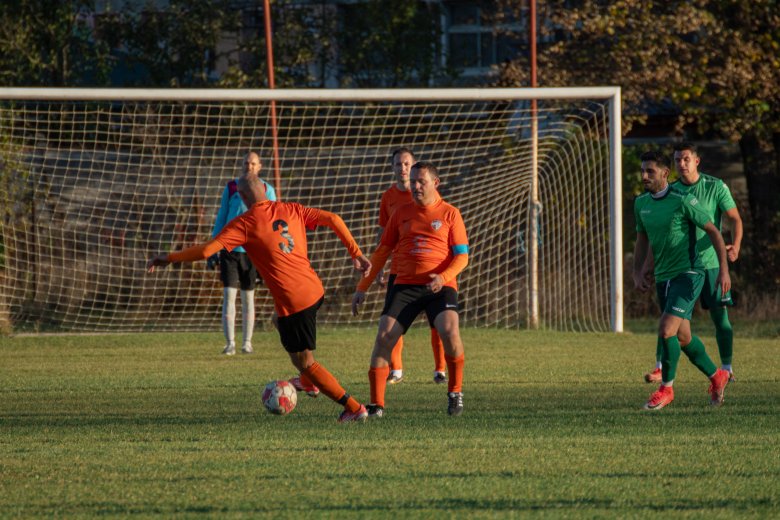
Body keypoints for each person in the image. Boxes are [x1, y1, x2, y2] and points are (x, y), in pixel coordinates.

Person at [148, 175, 372, 423]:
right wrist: (357, 253)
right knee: (278, 320)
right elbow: (334, 219)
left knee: (305, 361)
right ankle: (308, 382)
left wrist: (168, 258)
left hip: (295, 301)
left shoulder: (244, 223)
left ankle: (353, 407)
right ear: (266, 190)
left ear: (242, 197)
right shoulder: (292, 208)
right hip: (314, 289)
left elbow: (206, 251)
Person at [352, 162, 469, 417]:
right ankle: (376, 406)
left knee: (449, 330)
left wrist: (443, 276)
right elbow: (383, 251)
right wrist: (362, 287)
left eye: (421, 182)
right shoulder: (401, 212)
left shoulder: (450, 214)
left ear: (435, 183)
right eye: (413, 181)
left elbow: (462, 257)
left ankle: (455, 392)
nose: (415, 186)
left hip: (440, 285)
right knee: (384, 337)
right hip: (404, 285)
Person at [632, 151, 731, 410]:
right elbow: (642, 239)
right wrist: (638, 270)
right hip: (663, 276)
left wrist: (723, 270)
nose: (644, 176)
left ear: (665, 174)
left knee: (666, 329)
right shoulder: (641, 203)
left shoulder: (683, 199)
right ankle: (717, 376)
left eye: (650, 171)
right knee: (683, 337)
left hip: (689, 273)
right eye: (642, 171)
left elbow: (714, 232)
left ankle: (666, 389)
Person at [375, 147, 447, 385]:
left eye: (406, 164)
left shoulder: (428, 195)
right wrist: (379, 265)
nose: (402, 168)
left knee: (437, 321)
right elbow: (383, 234)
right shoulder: (388, 197)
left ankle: (440, 369)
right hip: (399, 268)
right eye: (398, 164)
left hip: (430, 269)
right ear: (392, 168)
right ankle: (396, 369)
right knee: (393, 320)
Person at [208, 152, 277, 356]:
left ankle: (247, 342)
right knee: (229, 296)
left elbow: (271, 224)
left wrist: (270, 254)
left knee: (249, 297)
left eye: (253, 163)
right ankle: (230, 343)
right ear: (242, 164)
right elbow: (221, 217)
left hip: (253, 252)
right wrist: (213, 247)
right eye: (246, 163)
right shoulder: (231, 188)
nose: (249, 166)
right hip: (229, 249)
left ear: (260, 167)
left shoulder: (267, 190)